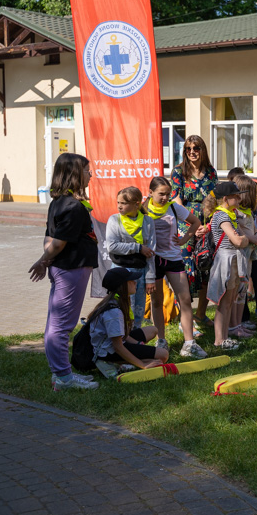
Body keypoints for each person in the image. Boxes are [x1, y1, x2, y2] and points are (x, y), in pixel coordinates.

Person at [29, 153, 100, 391]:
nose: (91, 175)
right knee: (61, 326)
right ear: (75, 174)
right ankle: (63, 377)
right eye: (87, 171)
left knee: (57, 323)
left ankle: (62, 373)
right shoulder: (73, 206)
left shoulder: (59, 202)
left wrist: (46, 259)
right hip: (72, 269)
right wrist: (43, 260)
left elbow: (50, 239)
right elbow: (57, 243)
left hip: (67, 268)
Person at [144, 176, 207, 359]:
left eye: (167, 194)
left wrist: (183, 239)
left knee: (185, 299)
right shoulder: (144, 209)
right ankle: (161, 340)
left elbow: (195, 222)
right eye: (161, 194)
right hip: (153, 260)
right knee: (157, 301)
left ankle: (189, 343)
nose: (164, 198)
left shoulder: (173, 207)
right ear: (151, 192)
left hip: (173, 258)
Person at [171, 135, 218, 332]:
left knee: (206, 268)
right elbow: (175, 200)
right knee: (185, 273)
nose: (192, 152)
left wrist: (206, 225)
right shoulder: (178, 171)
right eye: (188, 148)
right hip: (186, 223)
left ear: (203, 150)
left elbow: (216, 200)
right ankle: (185, 319)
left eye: (196, 148)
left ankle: (200, 314)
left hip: (206, 225)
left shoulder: (211, 172)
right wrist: (192, 223)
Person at [90, 268, 170, 378]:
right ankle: (111, 362)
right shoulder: (113, 312)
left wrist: (137, 345)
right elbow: (117, 346)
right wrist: (142, 365)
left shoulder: (118, 301)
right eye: (131, 280)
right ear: (122, 285)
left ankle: (126, 360)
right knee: (163, 355)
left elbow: (123, 335)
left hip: (118, 342)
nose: (135, 282)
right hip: (107, 351)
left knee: (153, 330)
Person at [206, 181, 249, 350]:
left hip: (233, 259)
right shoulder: (222, 216)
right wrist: (244, 240)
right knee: (224, 302)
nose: (239, 199)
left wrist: (242, 239)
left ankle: (224, 338)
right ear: (226, 198)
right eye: (236, 196)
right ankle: (219, 340)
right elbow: (238, 239)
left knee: (230, 300)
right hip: (226, 260)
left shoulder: (231, 214)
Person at [105, 186, 156, 330]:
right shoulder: (115, 220)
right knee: (120, 308)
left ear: (137, 204)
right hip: (120, 271)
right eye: (118, 202)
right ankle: (120, 339)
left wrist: (150, 278)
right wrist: (138, 248)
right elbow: (112, 246)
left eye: (124, 203)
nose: (119, 206)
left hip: (139, 273)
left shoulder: (147, 221)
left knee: (137, 310)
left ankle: (135, 339)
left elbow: (152, 252)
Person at [229, 174, 257, 337]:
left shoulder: (248, 211)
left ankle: (239, 324)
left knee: (242, 292)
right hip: (239, 257)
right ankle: (233, 326)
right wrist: (252, 237)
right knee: (237, 291)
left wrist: (256, 235)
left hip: (248, 256)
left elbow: (253, 228)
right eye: (253, 192)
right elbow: (238, 232)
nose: (255, 196)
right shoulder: (234, 213)